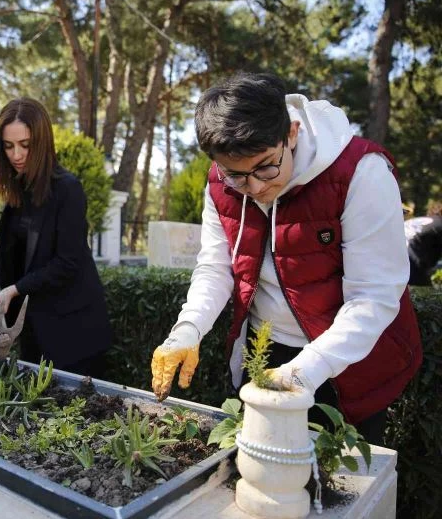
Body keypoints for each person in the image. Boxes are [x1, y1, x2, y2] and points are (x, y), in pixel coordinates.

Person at [150, 72, 422, 445]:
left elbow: (374, 296)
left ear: (291, 134)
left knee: (339, 471)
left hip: (348, 359)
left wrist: (303, 371)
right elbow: (215, 268)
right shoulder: (219, 183)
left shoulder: (360, 171)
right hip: (264, 349)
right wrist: (188, 329)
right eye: (236, 176)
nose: (256, 187)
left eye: (266, 166)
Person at [0, 97, 111, 377]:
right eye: (8, 146)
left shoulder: (68, 189)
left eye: (25, 145)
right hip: (35, 333)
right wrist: (0, 258)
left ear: (42, 142)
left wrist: (14, 289)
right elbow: (27, 251)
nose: (16, 155)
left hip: (75, 336)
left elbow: (67, 262)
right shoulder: (18, 191)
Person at [405, 201, 442, 286]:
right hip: (409, 261)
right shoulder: (439, 225)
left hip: (386, 255)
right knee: (426, 290)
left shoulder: (427, 220)